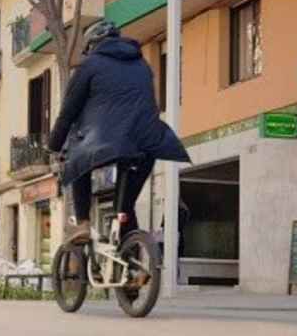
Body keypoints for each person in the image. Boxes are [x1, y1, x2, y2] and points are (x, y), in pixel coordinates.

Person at [48, 20, 190, 244]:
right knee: (123, 209)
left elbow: (68, 113)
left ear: (92, 45)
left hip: (107, 140)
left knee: (76, 161)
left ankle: (83, 222)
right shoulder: (142, 65)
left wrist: (54, 146)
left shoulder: (90, 66)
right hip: (148, 142)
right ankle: (136, 265)